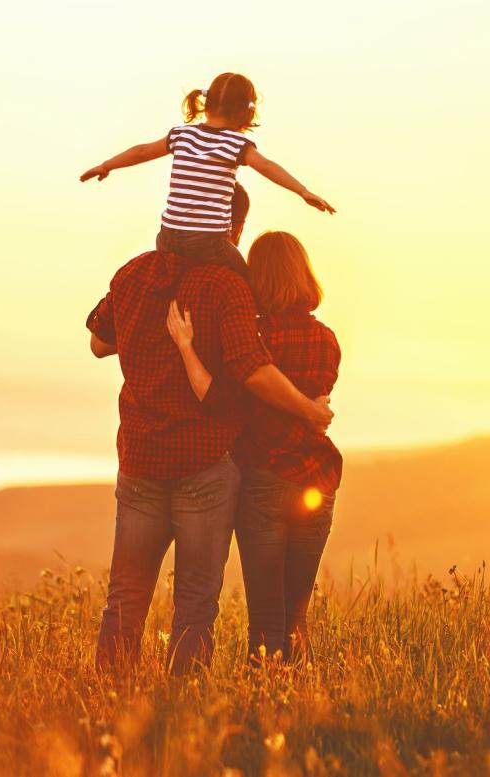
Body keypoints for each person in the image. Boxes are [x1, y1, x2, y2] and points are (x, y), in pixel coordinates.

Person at [85, 194, 334, 676]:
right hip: (204, 463)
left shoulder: (133, 273)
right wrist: (307, 409)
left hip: (139, 457)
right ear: (231, 228)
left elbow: (99, 343)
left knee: (126, 592)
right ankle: (184, 702)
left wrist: (148, 337)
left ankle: (109, 694)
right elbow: (251, 369)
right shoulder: (226, 285)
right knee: (196, 599)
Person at [166, 231, 341, 664]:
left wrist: (187, 348)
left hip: (264, 481)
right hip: (317, 480)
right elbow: (318, 399)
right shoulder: (327, 340)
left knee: (266, 619)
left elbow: (220, 397)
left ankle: (264, 710)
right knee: (296, 617)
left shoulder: (253, 341)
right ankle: (304, 707)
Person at [79, 72, 335, 276]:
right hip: (208, 242)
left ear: (206, 103)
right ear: (246, 111)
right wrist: (302, 191)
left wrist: (107, 165)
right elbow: (267, 166)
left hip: (168, 237)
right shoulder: (235, 144)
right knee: (244, 281)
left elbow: (141, 151)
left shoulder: (182, 134)